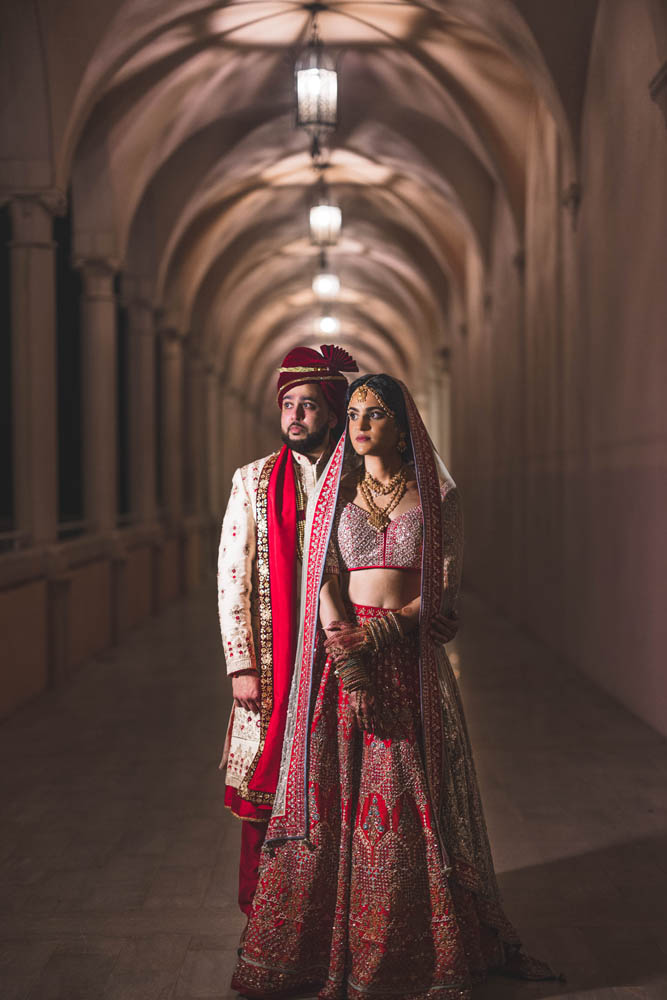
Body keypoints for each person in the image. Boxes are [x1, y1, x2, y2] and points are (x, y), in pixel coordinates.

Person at [231, 374, 558, 998]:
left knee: (409, 791)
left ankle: (411, 943)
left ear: (403, 426)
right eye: (352, 413)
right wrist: (346, 652)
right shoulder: (336, 492)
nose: (358, 425)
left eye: (374, 414)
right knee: (337, 796)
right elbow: (321, 577)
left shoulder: (438, 496)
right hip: (342, 663)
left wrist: (379, 639)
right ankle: (326, 946)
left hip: (408, 662)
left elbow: (442, 587)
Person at [217, 344, 359, 931]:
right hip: (274, 664)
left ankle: (339, 908)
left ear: (331, 410)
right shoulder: (252, 482)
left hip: (347, 653)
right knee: (266, 786)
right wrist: (241, 664)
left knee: (344, 781)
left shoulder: (360, 477)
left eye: (307, 405)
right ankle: (267, 912)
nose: (295, 415)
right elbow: (232, 576)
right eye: (288, 405)